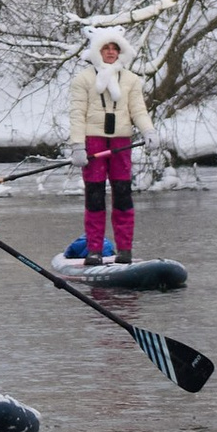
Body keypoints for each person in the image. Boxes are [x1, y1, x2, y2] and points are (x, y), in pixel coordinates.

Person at [64, 24, 151, 266]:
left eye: (115, 48)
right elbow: (77, 114)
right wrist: (78, 146)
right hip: (93, 144)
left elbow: (138, 110)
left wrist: (148, 130)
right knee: (94, 197)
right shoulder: (82, 80)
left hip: (121, 144)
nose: (111, 52)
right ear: (97, 52)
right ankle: (94, 250)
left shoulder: (131, 80)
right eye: (106, 48)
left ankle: (124, 249)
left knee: (123, 196)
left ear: (120, 51)